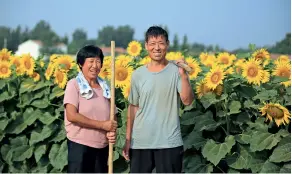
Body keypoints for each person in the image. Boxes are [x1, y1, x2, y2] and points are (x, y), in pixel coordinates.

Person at [122, 26, 194, 173]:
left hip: (169, 142)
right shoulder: (138, 74)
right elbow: (133, 108)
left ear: (167, 44)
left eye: (161, 43)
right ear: (146, 46)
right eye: (152, 43)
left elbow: (187, 101)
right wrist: (128, 139)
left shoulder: (176, 71)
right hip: (141, 142)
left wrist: (184, 75)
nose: (157, 48)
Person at [63, 45, 117, 173]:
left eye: (98, 61)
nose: (95, 65)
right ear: (81, 64)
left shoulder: (105, 86)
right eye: (91, 61)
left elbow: (113, 115)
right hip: (80, 146)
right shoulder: (74, 85)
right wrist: (102, 125)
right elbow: (72, 115)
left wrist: (111, 130)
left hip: (102, 147)